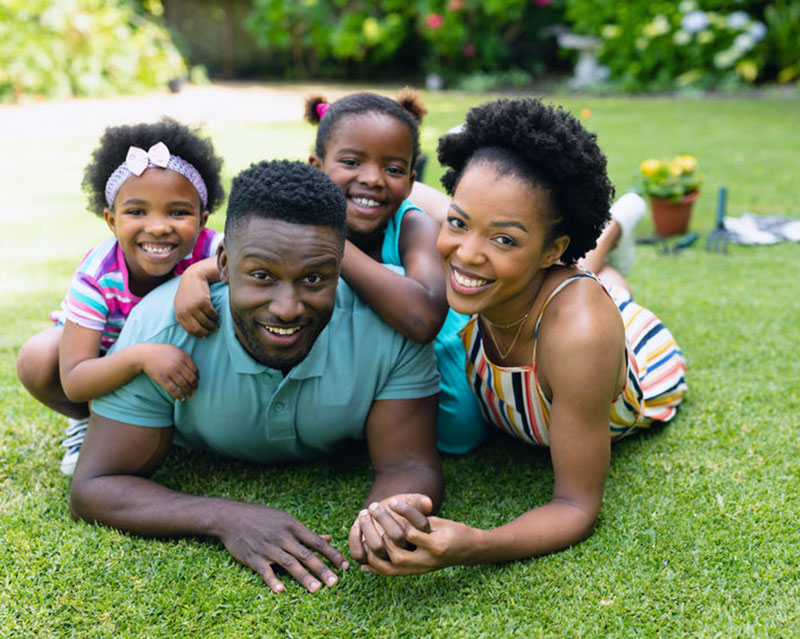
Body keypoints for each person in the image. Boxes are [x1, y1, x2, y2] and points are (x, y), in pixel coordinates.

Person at [69, 160, 443, 594]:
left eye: (314, 278)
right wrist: (225, 517)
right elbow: (94, 487)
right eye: (262, 276)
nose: (287, 307)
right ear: (223, 265)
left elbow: (409, 463)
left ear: (342, 266)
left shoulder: (387, 325)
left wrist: (386, 514)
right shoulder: (160, 332)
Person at [350, 98, 687, 574]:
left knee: (597, 295)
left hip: (635, 361)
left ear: (554, 246)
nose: (466, 254)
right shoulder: (464, 259)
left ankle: (609, 231)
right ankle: (601, 253)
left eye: (504, 238)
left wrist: (476, 543)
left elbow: (575, 507)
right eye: (458, 222)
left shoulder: (580, 335)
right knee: (519, 274)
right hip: (532, 295)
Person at [16, 118, 225, 475]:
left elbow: (253, 256)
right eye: (137, 212)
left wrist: (198, 272)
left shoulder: (209, 248)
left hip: (188, 361)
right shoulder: (97, 277)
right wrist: (140, 357)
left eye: (178, 212)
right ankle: (92, 423)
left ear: (203, 219)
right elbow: (75, 378)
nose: (158, 226)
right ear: (111, 221)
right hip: (108, 364)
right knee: (37, 357)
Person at [304, 89, 486, 454]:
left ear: (409, 181)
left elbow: (423, 320)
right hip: (356, 360)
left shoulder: (412, 227)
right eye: (352, 162)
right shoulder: (295, 221)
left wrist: (332, 243)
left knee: (460, 433)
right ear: (316, 168)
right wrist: (198, 276)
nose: (373, 178)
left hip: (437, 355)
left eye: (393, 170)